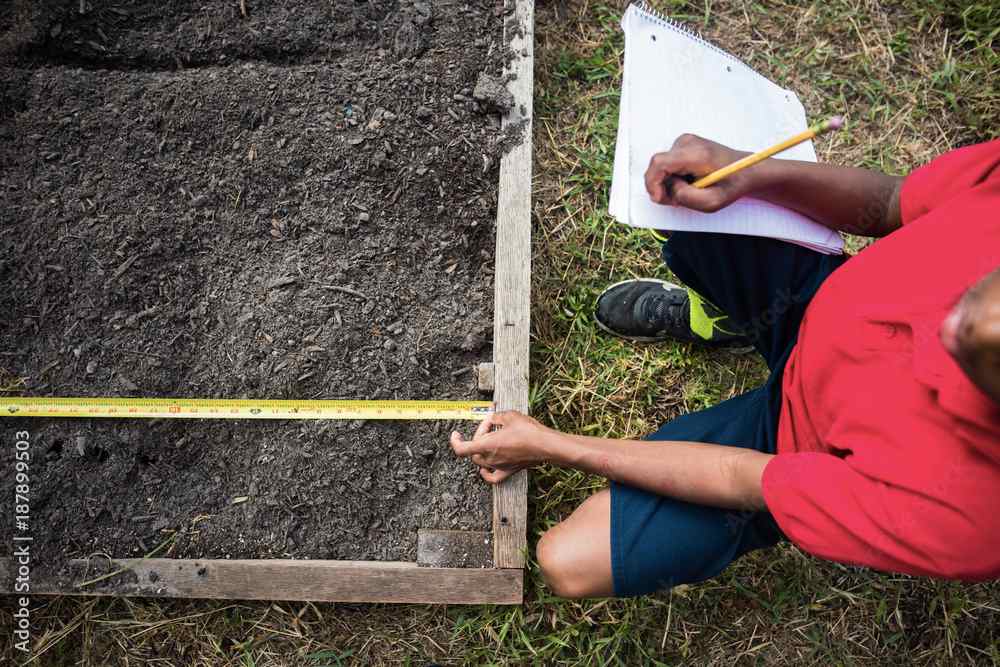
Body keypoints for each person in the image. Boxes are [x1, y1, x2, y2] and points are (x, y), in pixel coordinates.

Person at [450, 135, 1000, 598]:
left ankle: (745, 322)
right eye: (976, 293)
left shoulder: (973, 517)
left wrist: (553, 445)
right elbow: (892, 202)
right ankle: (730, 320)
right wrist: (752, 173)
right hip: (818, 303)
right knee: (682, 172)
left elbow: (745, 479)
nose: (941, 324)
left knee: (570, 560)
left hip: (788, 442)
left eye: (968, 359)